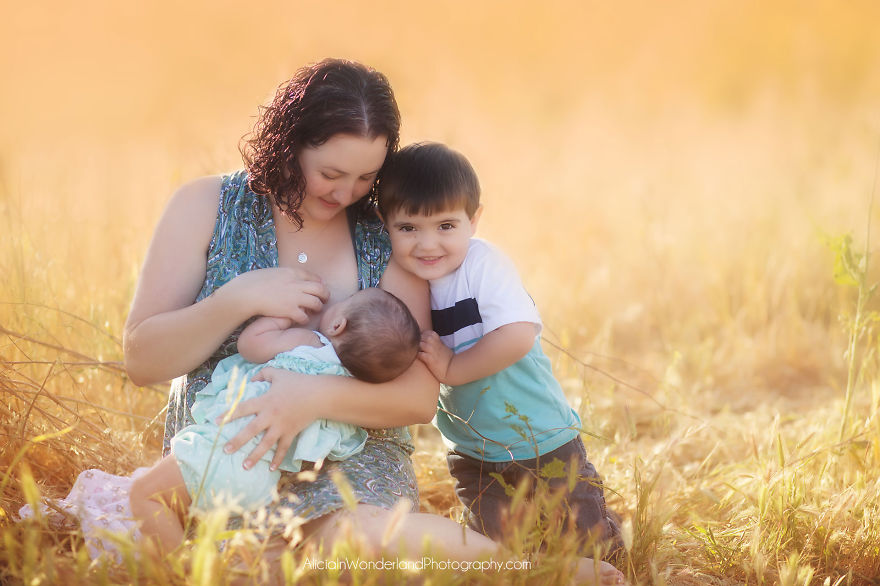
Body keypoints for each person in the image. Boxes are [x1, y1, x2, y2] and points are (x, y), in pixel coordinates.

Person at [122, 58, 624, 584]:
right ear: (287, 145)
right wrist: (236, 299)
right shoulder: (206, 206)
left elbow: (416, 399)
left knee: (357, 543)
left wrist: (310, 398)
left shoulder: (388, 234)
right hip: (229, 448)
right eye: (330, 174)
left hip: (351, 453)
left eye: (366, 177)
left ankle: (531, 574)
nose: (346, 194)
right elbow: (142, 360)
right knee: (253, 567)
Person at [377, 142, 625, 562]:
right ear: (385, 224)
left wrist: (453, 368)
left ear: (474, 220)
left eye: (446, 225)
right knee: (504, 550)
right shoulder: (404, 281)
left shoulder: (482, 264)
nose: (427, 244)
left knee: (587, 540)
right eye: (408, 228)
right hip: (472, 453)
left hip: (540, 438)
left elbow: (516, 335)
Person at [129, 287, 421, 553]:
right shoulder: (344, 387)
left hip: (223, 450)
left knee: (145, 496)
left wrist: (282, 316)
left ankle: (180, 574)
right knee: (252, 556)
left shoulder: (311, 342)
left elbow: (251, 345)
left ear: (337, 325)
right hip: (261, 480)